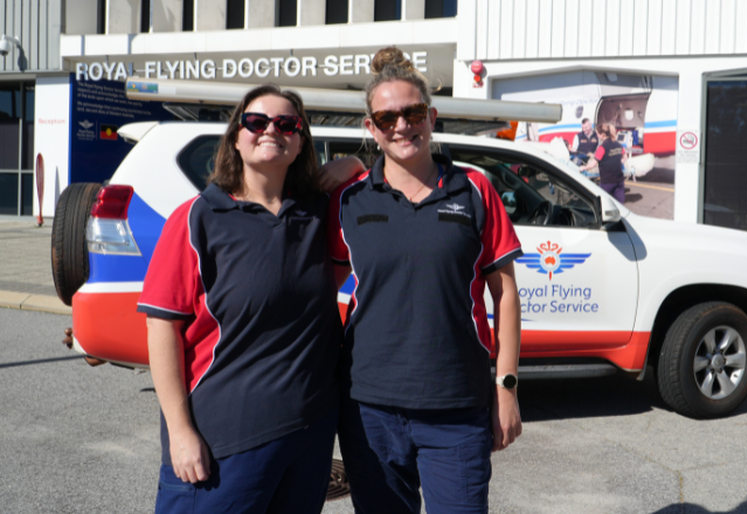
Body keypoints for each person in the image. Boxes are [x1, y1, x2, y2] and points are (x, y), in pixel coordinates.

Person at [137, 84, 361, 513]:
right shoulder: (197, 219)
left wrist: (352, 163)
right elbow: (161, 328)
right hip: (225, 441)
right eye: (256, 122)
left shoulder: (318, 213)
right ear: (236, 138)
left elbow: (390, 183)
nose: (270, 130)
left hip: (309, 434)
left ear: (300, 142)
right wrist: (181, 432)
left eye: (287, 124)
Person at [330, 46, 523, 514]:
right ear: (370, 129)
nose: (402, 125)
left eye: (413, 112)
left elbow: (506, 292)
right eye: (387, 117)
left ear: (431, 116)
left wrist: (507, 386)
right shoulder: (348, 199)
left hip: (457, 406)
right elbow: (316, 291)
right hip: (368, 408)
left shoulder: (474, 189)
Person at [592, 123, 626, 203]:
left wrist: (583, 167)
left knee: (600, 203)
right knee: (619, 205)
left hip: (607, 181)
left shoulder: (602, 147)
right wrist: (618, 162)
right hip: (619, 180)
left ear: (602, 135)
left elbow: (593, 164)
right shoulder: (618, 144)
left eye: (597, 134)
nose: (597, 136)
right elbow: (625, 157)